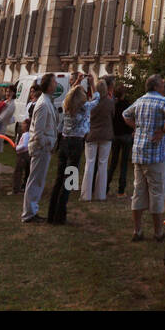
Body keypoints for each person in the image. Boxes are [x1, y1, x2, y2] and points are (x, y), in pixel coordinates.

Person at [124, 73, 165, 242]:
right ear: (156, 86)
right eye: (161, 84)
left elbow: (125, 114)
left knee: (138, 192)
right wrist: (162, 131)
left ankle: (137, 230)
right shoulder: (163, 101)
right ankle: (158, 232)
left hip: (138, 152)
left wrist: (137, 127)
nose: (163, 87)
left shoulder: (140, 100)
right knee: (157, 192)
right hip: (156, 153)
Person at [48, 72, 98, 225]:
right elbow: (97, 99)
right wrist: (92, 83)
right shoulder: (84, 107)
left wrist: (78, 81)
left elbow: (72, 93)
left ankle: (52, 214)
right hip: (76, 144)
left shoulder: (66, 104)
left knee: (59, 178)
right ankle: (60, 214)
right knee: (69, 180)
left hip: (64, 142)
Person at [22, 73, 58, 223]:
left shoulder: (46, 101)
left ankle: (32, 210)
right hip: (41, 148)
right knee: (35, 180)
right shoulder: (43, 104)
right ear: (49, 85)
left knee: (38, 180)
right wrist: (46, 145)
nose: (56, 84)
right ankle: (29, 212)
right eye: (55, 82)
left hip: (44, 147)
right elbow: (38, 131)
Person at [82, 78, 114, 201]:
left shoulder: (91, 102)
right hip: (106, 135)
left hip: (92, 134)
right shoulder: (110, 102)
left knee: (89, 164)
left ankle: (86, 194)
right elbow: (112, 115)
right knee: (103, 164)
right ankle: (101, 194)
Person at [106, 82, 133, 195]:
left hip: (115, 135)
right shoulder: (128, 105)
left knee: (113, 162)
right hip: (126, 135)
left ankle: (106, 186)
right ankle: (121, 190)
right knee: (124, 164)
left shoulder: (113, 104)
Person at [12, 121, 31, 194]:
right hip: (25, 154)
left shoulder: (26, 135)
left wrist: (17, 147)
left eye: (23, 124)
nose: (21, 126)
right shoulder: (27, 134)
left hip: (22, 155)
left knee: (18, 172)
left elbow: (24, 145)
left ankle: (16, 189)